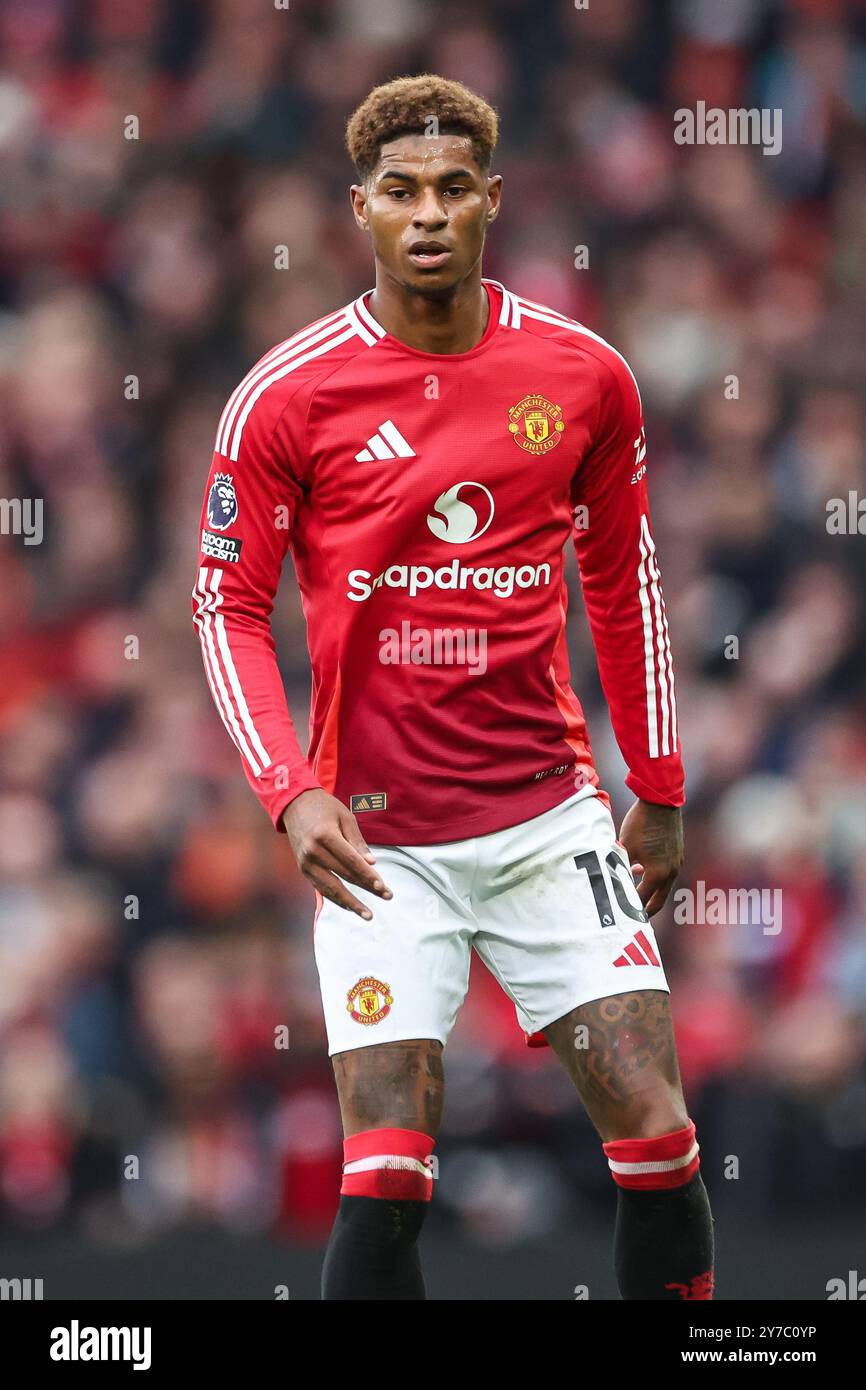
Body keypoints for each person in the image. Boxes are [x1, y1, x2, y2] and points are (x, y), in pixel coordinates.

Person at [192, 73, 714, 1301]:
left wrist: (659, 782)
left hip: (546, 822)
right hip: (379, 849)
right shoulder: (286, 394)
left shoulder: (583, 377)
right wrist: (286, 788)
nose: (424, 213)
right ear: (358, 209)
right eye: (397, 192)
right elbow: (222, 608)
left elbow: (621, 584)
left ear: (491, 200)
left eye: (449, 188)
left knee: (659, 1137)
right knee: (385, 1175)